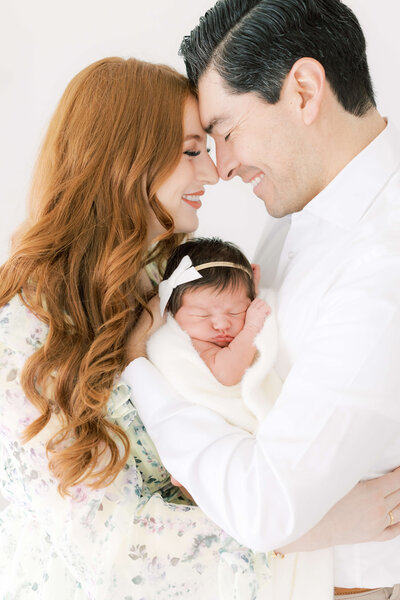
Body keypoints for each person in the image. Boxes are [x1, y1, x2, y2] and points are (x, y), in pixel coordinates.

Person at [124, 1, 400, 598]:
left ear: (302, 90)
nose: (220, 167)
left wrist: (136, 364)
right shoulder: (299, 212)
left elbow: (264, 505)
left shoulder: (383, 264)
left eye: (225, 131)